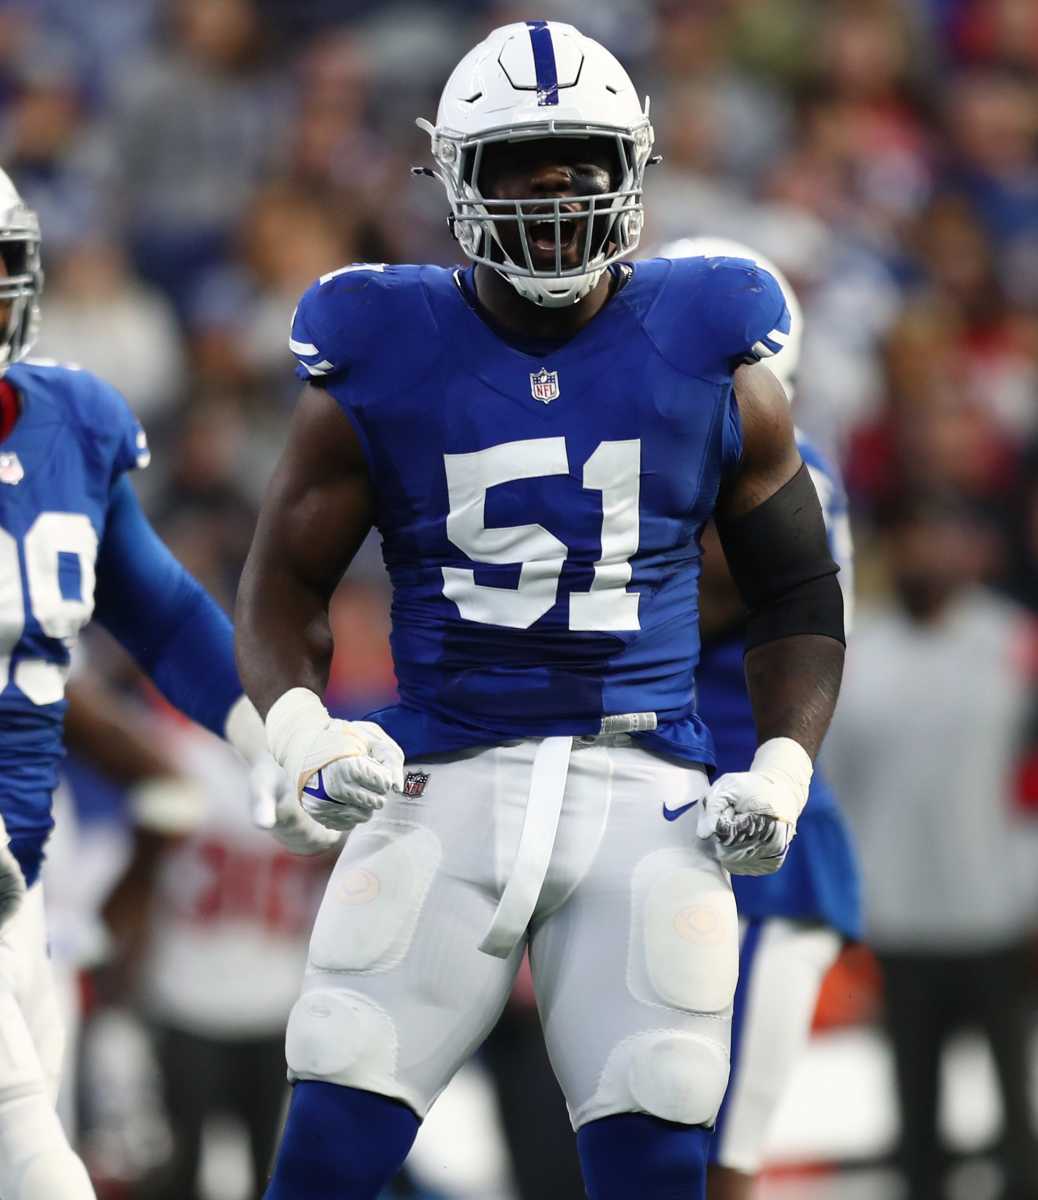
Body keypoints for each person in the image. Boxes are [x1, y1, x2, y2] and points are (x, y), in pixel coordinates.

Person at [235, 21, 846, 1200]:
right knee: (330, 1126)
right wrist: (304, 736)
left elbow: (799, 591)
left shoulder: (710, 343)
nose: (557, 188)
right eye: (521, 162)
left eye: (582, 158)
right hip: (446, 778)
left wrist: (781, 767)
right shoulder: (381, 343)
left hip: (646, 795)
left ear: (636, 168)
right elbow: (279, 583)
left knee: (661, 1121)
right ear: (456, 178)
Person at [0, 166, 338, 1200]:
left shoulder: (69, 423)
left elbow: (161, 613)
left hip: (22, 882)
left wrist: (272, 732)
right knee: (34, 1160)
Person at [663, 237, 862, 1198]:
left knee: (724, 1155)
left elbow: (700, 594)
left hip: (757, 838)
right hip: (685, 823)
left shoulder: (790, 474)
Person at [826, 492, 1038, 1200]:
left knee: (1018, 1106)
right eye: (910, 542)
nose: (926, 558)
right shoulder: (860, 659)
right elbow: (838, 789)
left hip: (999, 908)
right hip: (901, 916)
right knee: (916, 1109)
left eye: (938, 540)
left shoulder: (1012, 645)